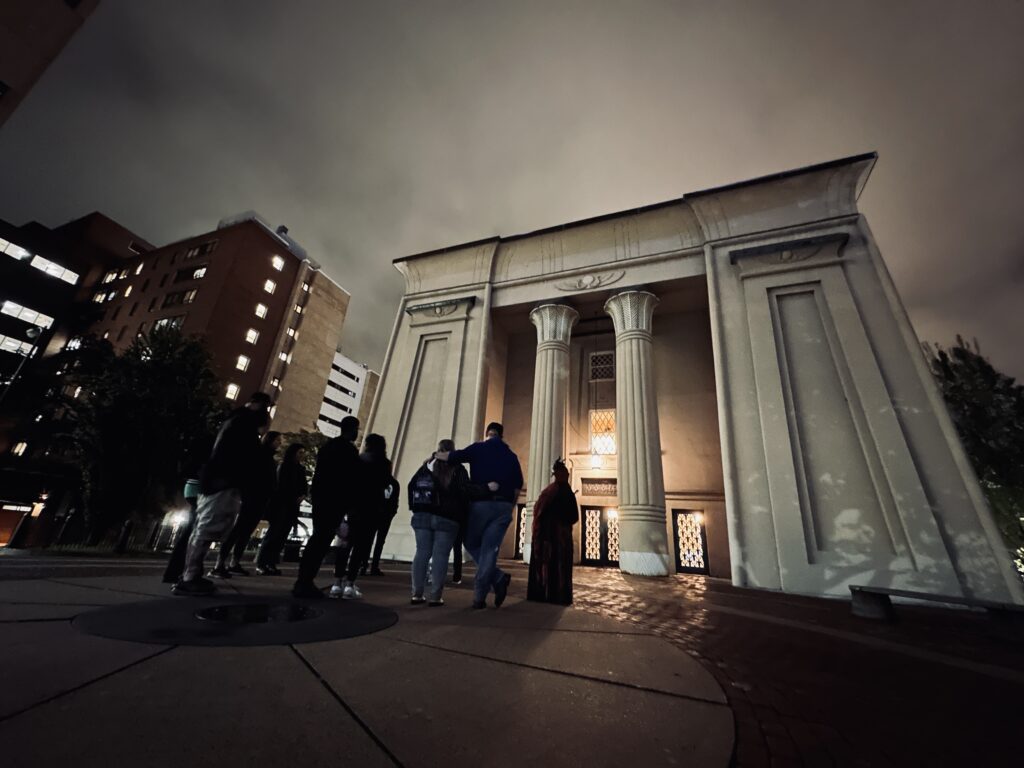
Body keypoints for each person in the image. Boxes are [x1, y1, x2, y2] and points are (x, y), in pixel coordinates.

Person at [173, 392, 272, 596]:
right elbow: (245, 456)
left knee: (206, 528)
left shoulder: (236, 421)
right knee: (206, 529)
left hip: (220, 481)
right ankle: (189, 577)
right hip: (222, 483)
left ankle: (192, 574)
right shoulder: (243, 424)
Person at [436, 422, 523, 609]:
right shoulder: (512, 457)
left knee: (472, 543)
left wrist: (435, 455)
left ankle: (496, 579)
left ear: (487, 434)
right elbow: (517, 488)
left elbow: (452, 456)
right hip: (503, 507)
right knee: (490, 549)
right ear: (501, 435)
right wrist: (510, 508)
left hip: (481, 505)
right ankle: (479, 597)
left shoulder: (479, 448)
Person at [292, 416, 363, 599]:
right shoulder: (348, 450)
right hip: (335, 502)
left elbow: (319, 475)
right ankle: (305, 581)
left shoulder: (327, 447)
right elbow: (350, 480)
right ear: (352, 429)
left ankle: (303, 579)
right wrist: (349, 505)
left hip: (321, 500)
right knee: (321, 541)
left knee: (317, 539)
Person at [329, 433, 391, 598]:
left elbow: (347, 483)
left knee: (345, 545)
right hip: (372, 509)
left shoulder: (357, 460)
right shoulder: (384, 463)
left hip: (354, 508)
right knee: (361, 548)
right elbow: (385, 483)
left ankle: (336, 583)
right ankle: (350, 584)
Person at [212, 430, 281, 577]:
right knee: (236, 531)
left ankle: (234, 562)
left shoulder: (271, 459)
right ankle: (219, 564)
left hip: (261, 500)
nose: (279, 443)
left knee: (246, 533)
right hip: (250, 497)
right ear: (269, 440)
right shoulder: (259, 455)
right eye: (277, 440)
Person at [410, 439, 469, 606]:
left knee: (421, 552)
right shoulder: (458, 469)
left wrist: (415, 508)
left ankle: (417, 593)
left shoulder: (426, 466)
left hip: (423, 514)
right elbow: (465, 493)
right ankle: (435, 596)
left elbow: (411, 486)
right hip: (447, 517)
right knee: (441, 556)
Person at [526, 459, 579, 605]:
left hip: (554, 537)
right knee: (554, 566)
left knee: (556, 566)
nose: (566, 475)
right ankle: (553, 595)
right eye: (564, 473)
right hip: (551, 538)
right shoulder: (556, 492)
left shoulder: (552, 491)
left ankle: (549, 594)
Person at [255, 442, 308, 575]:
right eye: (300, 452)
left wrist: (302, 496)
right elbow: (280, 486)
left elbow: (304, 487)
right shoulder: (284, 466)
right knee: (273, 534)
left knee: (282, 536)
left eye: (303, 453)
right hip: (281, 504)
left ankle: (271, 563)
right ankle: (262, 563)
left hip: (292, 506)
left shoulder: (301, 469)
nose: (302, 455)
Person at [360, 473, 400, 576]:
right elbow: (395, 500)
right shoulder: (394, 483)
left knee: (369, 540)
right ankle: (373, 566)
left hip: (376, 514)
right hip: (385, 515)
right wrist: (392, 512)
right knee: (379, 541)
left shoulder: (377, 481)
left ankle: (364, 565)